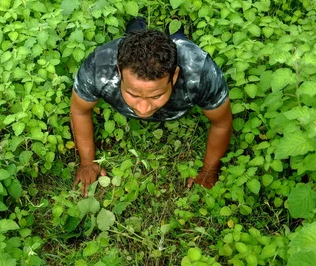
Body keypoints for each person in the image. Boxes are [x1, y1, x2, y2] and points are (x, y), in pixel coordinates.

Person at [70, 17, 232, 197]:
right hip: (128, 47)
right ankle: (136, 23)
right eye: (133, 94)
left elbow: (221, 122)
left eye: (156, 95)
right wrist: (86, 162)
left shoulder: (200, 71)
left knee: (180, 42)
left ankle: (175, 26)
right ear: (118, 70)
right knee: (133, 35)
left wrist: (209, 171)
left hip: (182, 51)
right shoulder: (98, 66)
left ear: (175, 76)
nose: (144, 109)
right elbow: (79, 110)